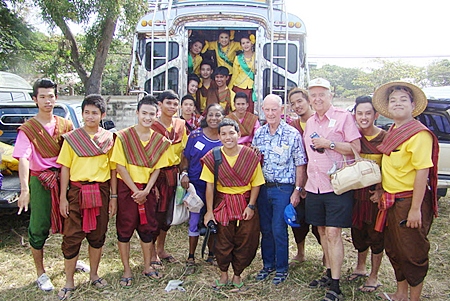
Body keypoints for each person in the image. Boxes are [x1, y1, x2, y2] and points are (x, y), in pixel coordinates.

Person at [372, 82, 438, 301]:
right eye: (393, 100)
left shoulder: (419, 134)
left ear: (412, 105)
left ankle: (414, 298)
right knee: (394, 248)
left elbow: (422, 172)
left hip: (408, 201)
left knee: (413, 252)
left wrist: (415, 209)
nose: (397, 104)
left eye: (403, 100)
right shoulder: (392, 130)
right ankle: (400, 293)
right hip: (390, 201)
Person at [303, 78, 361, 301]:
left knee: (335, 232)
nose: (317, 99)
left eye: (322, 94)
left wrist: (330, 144)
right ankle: (328, 273)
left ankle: (336, 286)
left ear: (330, 96)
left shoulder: (343, 117)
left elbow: (355, 149)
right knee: (322, 232)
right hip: (314, 186)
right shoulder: (310, 122)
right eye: (313, 95)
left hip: (337, 186)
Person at [13, 78, 73, 292]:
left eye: (51, 96)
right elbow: (23, 158)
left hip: (64, 179)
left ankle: (71, 263)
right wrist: (25, 189)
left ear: (56, 98)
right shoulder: (28, 129)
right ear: (34, 99)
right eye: (43, 97)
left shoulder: (65, 124)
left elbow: (74, 152)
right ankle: (40, 272)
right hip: (41, 182)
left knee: (72, 224)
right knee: (38, 226)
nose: (48, 101)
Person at [56, 94, 117, 300]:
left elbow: (113, 170)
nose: (90, 117)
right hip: (76, 192)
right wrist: (63, 197)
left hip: (100, 191)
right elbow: (64, 168)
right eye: (87, 112)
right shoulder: (72, 139)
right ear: (82, 114)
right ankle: (69, 281)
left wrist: (114, 197)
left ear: (102, 115)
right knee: (72, 236)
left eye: (95, 113)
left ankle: (94, 274)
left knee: (98, 235)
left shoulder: (108, 139)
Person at [110, 96, 172, 286]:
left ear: (157, 115)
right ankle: (127, 270)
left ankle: (147, 266)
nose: (147, 117)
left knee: (148, 228)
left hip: (147, 190)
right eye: (144, 113)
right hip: (127, 189)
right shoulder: (123, 137)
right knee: (125, 228)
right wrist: (135, 190)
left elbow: (157, 169)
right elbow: (119, 166)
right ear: (137, 113)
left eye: (151, 114)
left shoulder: (160, 141)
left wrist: (146, 190)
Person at [202, 118, 265, 290]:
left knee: (247, 238)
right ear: (219, 136)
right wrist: (209, 211)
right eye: (223, 134)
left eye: (231, 133)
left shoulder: (250, 156)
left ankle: (237, 275)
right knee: (222, 239)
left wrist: (251, 206)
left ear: (239, 134)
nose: (228, 137)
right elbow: (208, 186)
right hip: (222, 202)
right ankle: (223, 274)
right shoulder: (213, 156)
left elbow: (257, 183)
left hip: (245, 201)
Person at [252, 94, 308, 285]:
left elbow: (300, 164)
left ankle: (282, 268)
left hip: (283, 188)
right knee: (265, 229)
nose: (270, 113)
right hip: (263, 188)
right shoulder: (259, 133)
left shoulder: (292, 134)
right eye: (266, 109)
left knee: (278, 228)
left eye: (274, 109)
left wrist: (297, 190)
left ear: (281, 110)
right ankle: (268, 265)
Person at [346, 95, 386, 293]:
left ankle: (374, 275)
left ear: (376, 115)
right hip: (356, 195)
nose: (364, 117)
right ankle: (360, 267)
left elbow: (390, 169)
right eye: (359, 113)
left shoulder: (385, 138)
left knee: (376, 236)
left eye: (368, 113)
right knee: (358, 232)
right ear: (354, 115)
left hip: (375, 196)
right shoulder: (353, 138)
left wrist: (381, 190)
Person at [180, 103, 225, 274]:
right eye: (211, 115)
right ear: (206, 117)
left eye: (218, 115)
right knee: (194, 220)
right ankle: (191, 256)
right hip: (196, 187)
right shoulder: (195, 135)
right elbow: (185, 157)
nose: (214, 118)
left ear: (223, 118)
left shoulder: (225, 137)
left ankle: (212, 254)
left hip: (218, 187)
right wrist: (184, 173)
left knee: (214, 219)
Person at [150, 90, 188, 268]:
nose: (172, 107)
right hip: (156, 176)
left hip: (173, 175)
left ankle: (160, 248)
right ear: (160, 104)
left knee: (168, 214)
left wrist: (184, 173)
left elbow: (183, 152)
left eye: (175, 104)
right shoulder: (151, 126)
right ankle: (150, 254)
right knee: (154, 215)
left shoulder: (180, 125)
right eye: (168, 103)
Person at [287, 87, 321, 266]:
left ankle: (326, 254)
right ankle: (300, 252)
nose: (297, 106)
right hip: (298, 178)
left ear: (308, 101)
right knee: (298, 218)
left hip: (319, 178)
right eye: (293, 104)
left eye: (300, 101)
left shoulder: (319, 123)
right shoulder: (292, 127)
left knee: (319, 221)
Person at [230, 33, 256, 113]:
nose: (245, 45)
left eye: (247, 42)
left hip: (252, 88)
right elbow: (235, 74)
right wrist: (229, 87)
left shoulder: (257, 56)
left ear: (252, 43)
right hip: (239, 86)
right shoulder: (238, 58)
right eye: (243, 43)